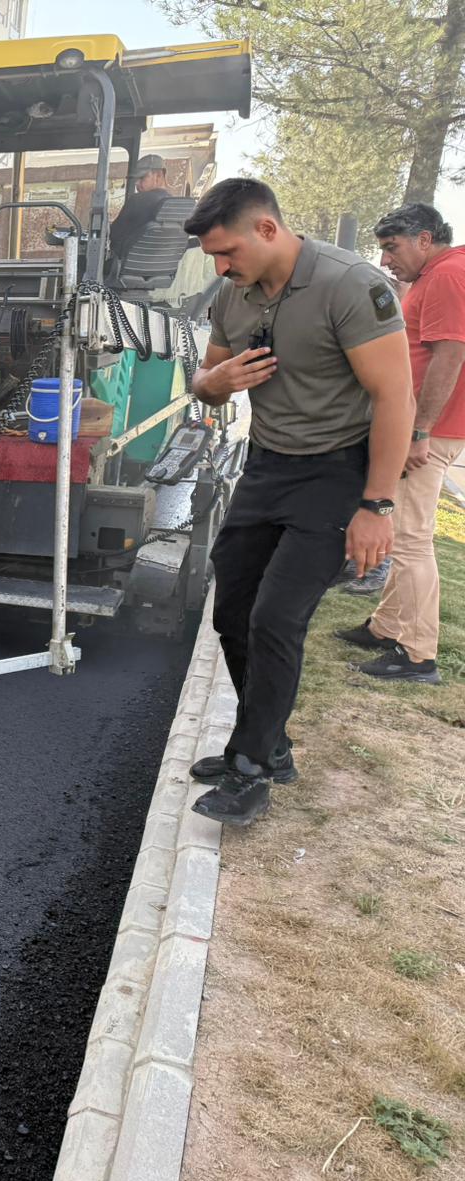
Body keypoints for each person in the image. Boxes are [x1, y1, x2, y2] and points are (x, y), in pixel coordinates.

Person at [181, 179, 412, 827]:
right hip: (265, 468)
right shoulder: (235, 296)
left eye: (227, 252)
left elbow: (396, 397)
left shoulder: (348, 285)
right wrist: (214, 383)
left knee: (277, 618)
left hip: (336, 475)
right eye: (214, 260)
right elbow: (207, 384)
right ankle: (270, 742)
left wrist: (378, 505)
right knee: (231, 612)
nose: (222, 268)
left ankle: (250, 767)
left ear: (266, 229)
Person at [332, 202, 465, 684]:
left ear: (425, 238)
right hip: (429, 424)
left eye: (392, 247)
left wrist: (419, 431)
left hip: (430, 429)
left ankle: (416, 655)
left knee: (408, 537)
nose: (387, 260)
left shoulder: (449, 275)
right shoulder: (440, 273)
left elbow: (451, 356)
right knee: (402, 532)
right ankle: (386, 626)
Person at [109, 154, 173, 268]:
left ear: (158, 175)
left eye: (142, 178)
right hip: (162, 271)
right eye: (136, 179)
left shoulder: (137, 200)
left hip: (128, 270)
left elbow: (113, 234)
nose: (137, 184)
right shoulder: (175, 207)